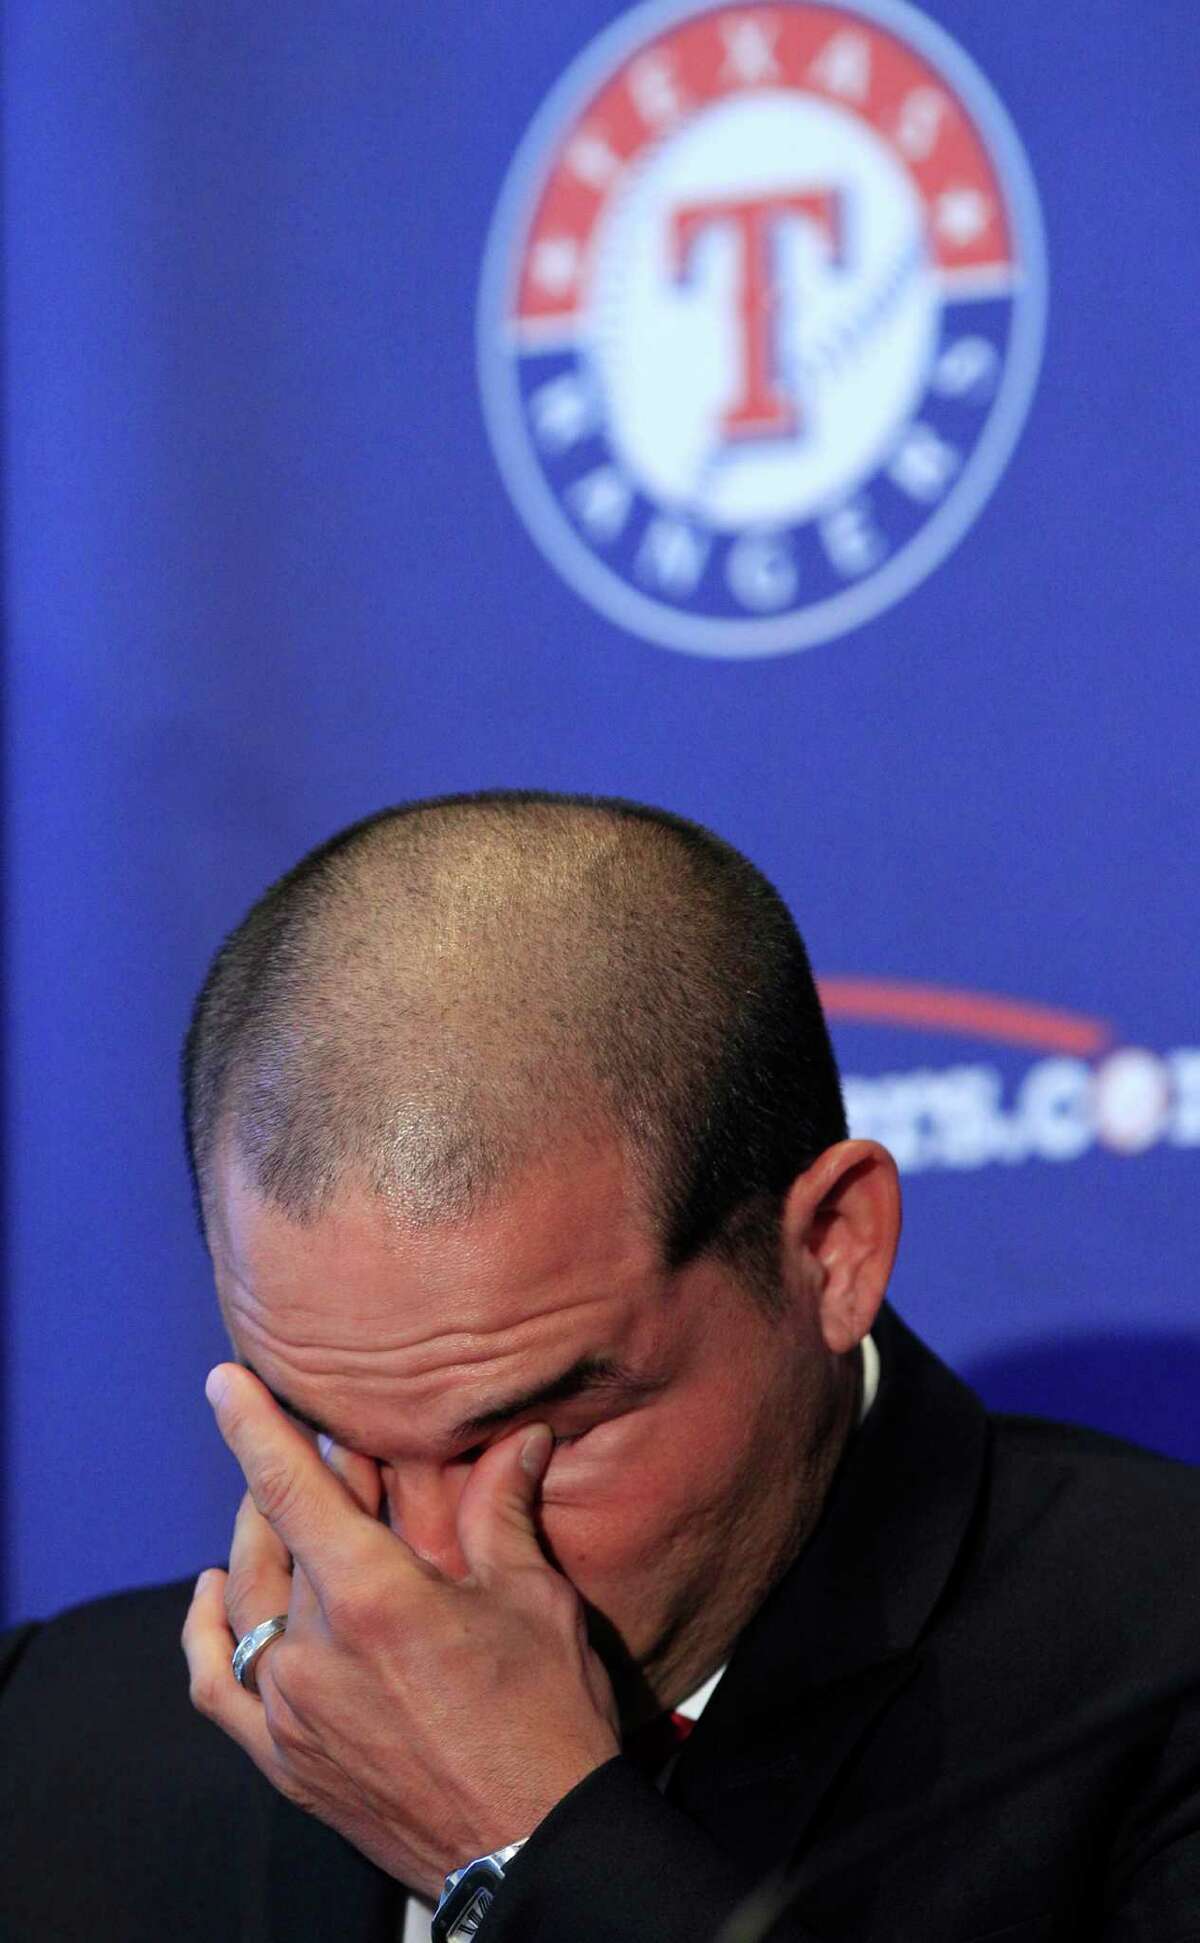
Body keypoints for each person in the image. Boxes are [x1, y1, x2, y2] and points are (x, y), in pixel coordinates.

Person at [2, 790, 1198, 1943]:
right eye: (330, 1436)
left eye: (537, 1437)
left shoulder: (1158, 1689)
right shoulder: (57, 1741)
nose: (410, 1570)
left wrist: (526, 1845)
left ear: (832, 1250)